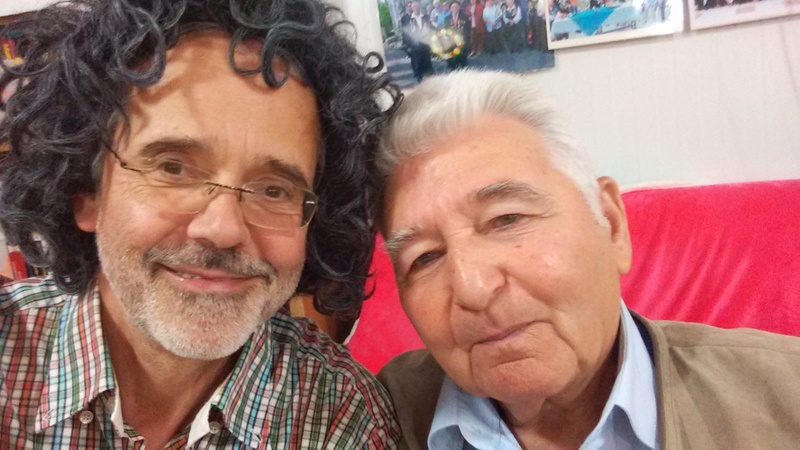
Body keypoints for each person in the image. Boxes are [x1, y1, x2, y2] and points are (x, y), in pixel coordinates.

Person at [0, 0, 403, 448]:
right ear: (86, 193)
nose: (223, 229)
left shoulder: (342, 417)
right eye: (174, 169)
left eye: (273, 190)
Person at [373, 70, 800, 449]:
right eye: (424, 258)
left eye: (507, 219)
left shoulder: (784, 396)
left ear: (611, 224)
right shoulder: (379, 418)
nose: (472, 287)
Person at [402, 1, 435, 82]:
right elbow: (405, 34)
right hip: (414, 45)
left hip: (425, 44)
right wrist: (407, 46)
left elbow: (430, 29)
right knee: (417, 64)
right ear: (412, 8)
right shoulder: (408, 19)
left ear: (419, 7)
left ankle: (430, 80)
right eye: (414, 7)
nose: (416, 8)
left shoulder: (425, 17)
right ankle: (420, 80)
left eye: (417, 6)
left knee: (427, 63)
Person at [443, 1, 470, 70]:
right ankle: (453, 67)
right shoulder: (447, 18)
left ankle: (463, 67)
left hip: (462, 40)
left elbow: (467, 29)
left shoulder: (464, 17)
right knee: (452, 57)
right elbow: (446, 30)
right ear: (450, 8)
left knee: (462, 57)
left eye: (456, 7)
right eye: (453, 7)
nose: (454, 8)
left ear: (459, 8)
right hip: (451, 41)